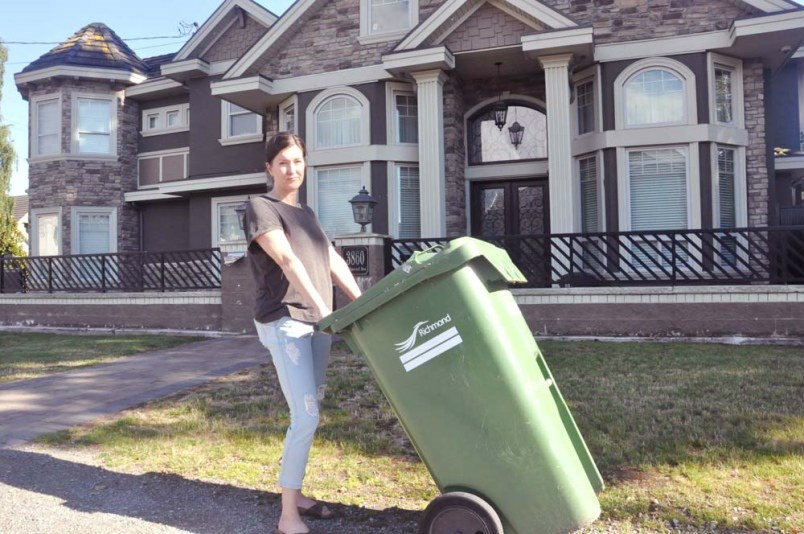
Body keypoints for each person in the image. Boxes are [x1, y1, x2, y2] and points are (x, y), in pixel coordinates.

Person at [245, 132, 362, 534]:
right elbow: (287, 259)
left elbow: (331, 260)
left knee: (308, 416)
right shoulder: (261, 207)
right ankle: (287, 515)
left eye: (297, 161)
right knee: (306, 416)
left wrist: (362, 302)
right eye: (282, 163)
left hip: (316, 325)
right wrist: (326, 308)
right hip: (286, 321)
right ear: (269, 168)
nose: (291, 169)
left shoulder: (307, 214)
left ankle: (296, 496)